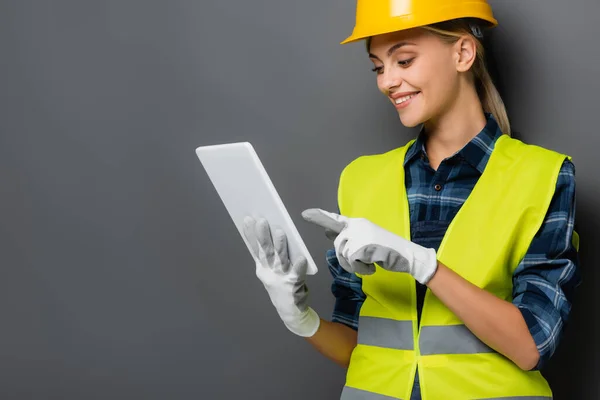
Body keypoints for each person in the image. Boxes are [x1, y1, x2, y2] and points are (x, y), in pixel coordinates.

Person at [242, 0, 581, 399]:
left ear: (463, 53)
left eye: (403, 60)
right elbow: (359, 349)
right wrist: (301, 319)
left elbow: (531, 346)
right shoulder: (361, 179)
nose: (387, 81)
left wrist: (425, 265)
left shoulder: (542, 176)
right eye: (378, 67)